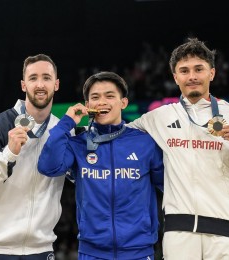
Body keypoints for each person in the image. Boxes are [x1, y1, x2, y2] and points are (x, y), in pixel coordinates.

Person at [128, 38, 229, 259]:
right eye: (184, 71)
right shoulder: (159, 117)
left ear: (211, 73)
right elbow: (118, 133)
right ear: (175, 77)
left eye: (199, 69)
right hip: (179, 233)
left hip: (226, 233)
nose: (192, 76)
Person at [38, 71, 164, 259]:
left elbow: (167, 186)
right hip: (92, 252)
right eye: (95, 97)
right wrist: (67, 123)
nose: (102, 101)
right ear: (88, 106)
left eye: (110, 96)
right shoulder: (79, 143)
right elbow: (49, 166)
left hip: (138, 251)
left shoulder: (145, 143)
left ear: (124, 103)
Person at [0, 54, 64, 259]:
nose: (40, 84)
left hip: (41, 248)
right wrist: (9, 153)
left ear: (56, 84)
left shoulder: (62, 131)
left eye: (46, 78)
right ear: (23, 85)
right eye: (33, 78)